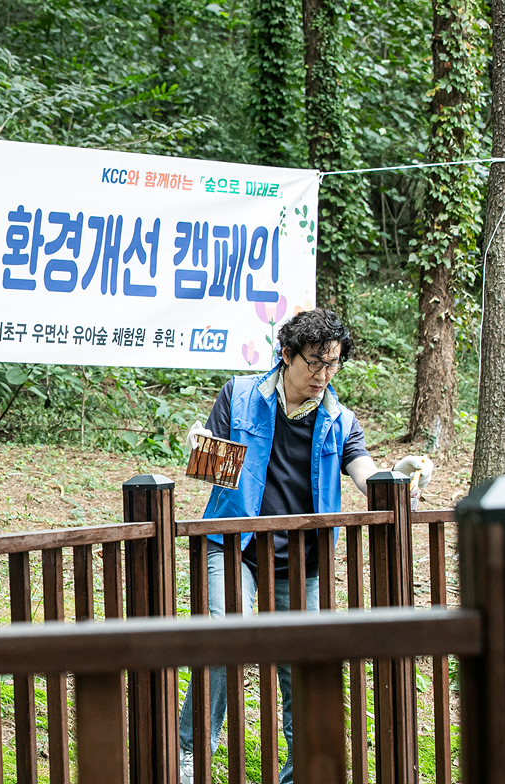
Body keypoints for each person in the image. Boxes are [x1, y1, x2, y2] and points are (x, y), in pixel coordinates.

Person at [176, 308, 432, 784]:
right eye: (315, 361)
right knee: (223, 638)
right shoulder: (239, 395)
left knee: (305, 664)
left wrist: (398, 478)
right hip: (234, 545)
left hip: (302, 559)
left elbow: (365, 474)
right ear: (287, 355)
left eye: (332, 363)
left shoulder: (340, 420)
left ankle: (301, 772)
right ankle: (189, 754)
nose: (323, 374)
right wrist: (201, 446)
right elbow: (212, 470)